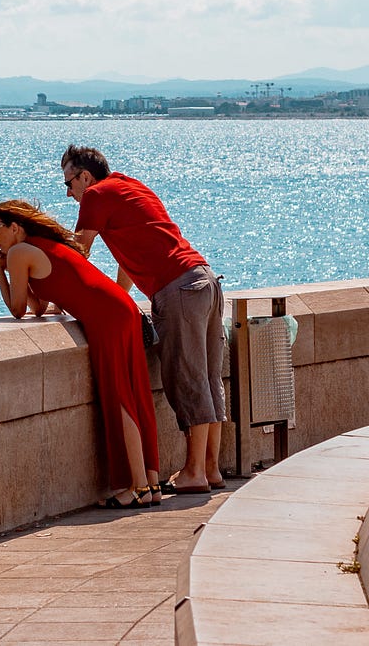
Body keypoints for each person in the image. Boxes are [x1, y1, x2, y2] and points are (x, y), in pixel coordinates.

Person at [60, 145, 225, 494]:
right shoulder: (132, 187)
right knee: (208, 377)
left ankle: (194, 471)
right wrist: (123, 297)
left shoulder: (96, 196)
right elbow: (132, 254)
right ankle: (210, 468)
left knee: (187, 378)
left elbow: (79, 252)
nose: (70, 193)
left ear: (85, 176)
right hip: (204, 278)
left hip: (177, 288)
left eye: (69, 183)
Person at [0, 199, 161, 508]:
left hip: (105, 317)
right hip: (120, 307)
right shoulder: (40, 246)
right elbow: (38, 307)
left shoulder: (17, 253)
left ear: (14, 228)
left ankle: (137, 488)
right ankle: (150, 482)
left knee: (119, 396)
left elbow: (17, 310)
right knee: (135, 392)